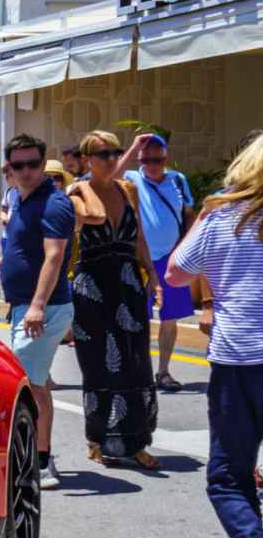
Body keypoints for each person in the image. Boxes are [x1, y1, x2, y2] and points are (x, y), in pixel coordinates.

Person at [166, 131, 263, 538]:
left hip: (238, 358)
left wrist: (205, 217)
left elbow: (176, 273)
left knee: (229, 476)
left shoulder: (221, 218)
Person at [0, 134, 75, 490]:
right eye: (19, 165)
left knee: (30, 387)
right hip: (25, 307)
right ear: (10, 167)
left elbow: (54, 256)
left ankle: (43, 462)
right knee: (36, 382)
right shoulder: (20, 198)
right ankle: (34, 454)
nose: (27, 171)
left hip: (44, 310)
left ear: (43, 163)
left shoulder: (54, 203)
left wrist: (37, 305)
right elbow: (21, 245)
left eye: (34, 164)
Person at [68, 129, 160, 469]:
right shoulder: (77, 194)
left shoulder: (128, 190)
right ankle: (97, 440)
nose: (111, 160)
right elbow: (94, 217)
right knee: (99, 364)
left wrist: (152, 276)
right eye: (102, 154)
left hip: (128, 283)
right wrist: (85, 184)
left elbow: (139, 238)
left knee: (136, 361)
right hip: (93, 287)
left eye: (115, 153)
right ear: (87, 159)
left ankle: (136, 441)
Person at [118, 132, 196, 392]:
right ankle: (138, 371)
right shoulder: (131, 179)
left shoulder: (178, 180)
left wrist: (185, 246)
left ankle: (163, 371)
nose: (152, 165)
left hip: (171, 259)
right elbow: (108, 178)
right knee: (137, 317)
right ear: (139, 159)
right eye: (146, 159)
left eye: (158, 160)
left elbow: (189, 214)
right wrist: (133, 147)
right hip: (139, 261)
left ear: (166, 158)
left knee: (170, 318)